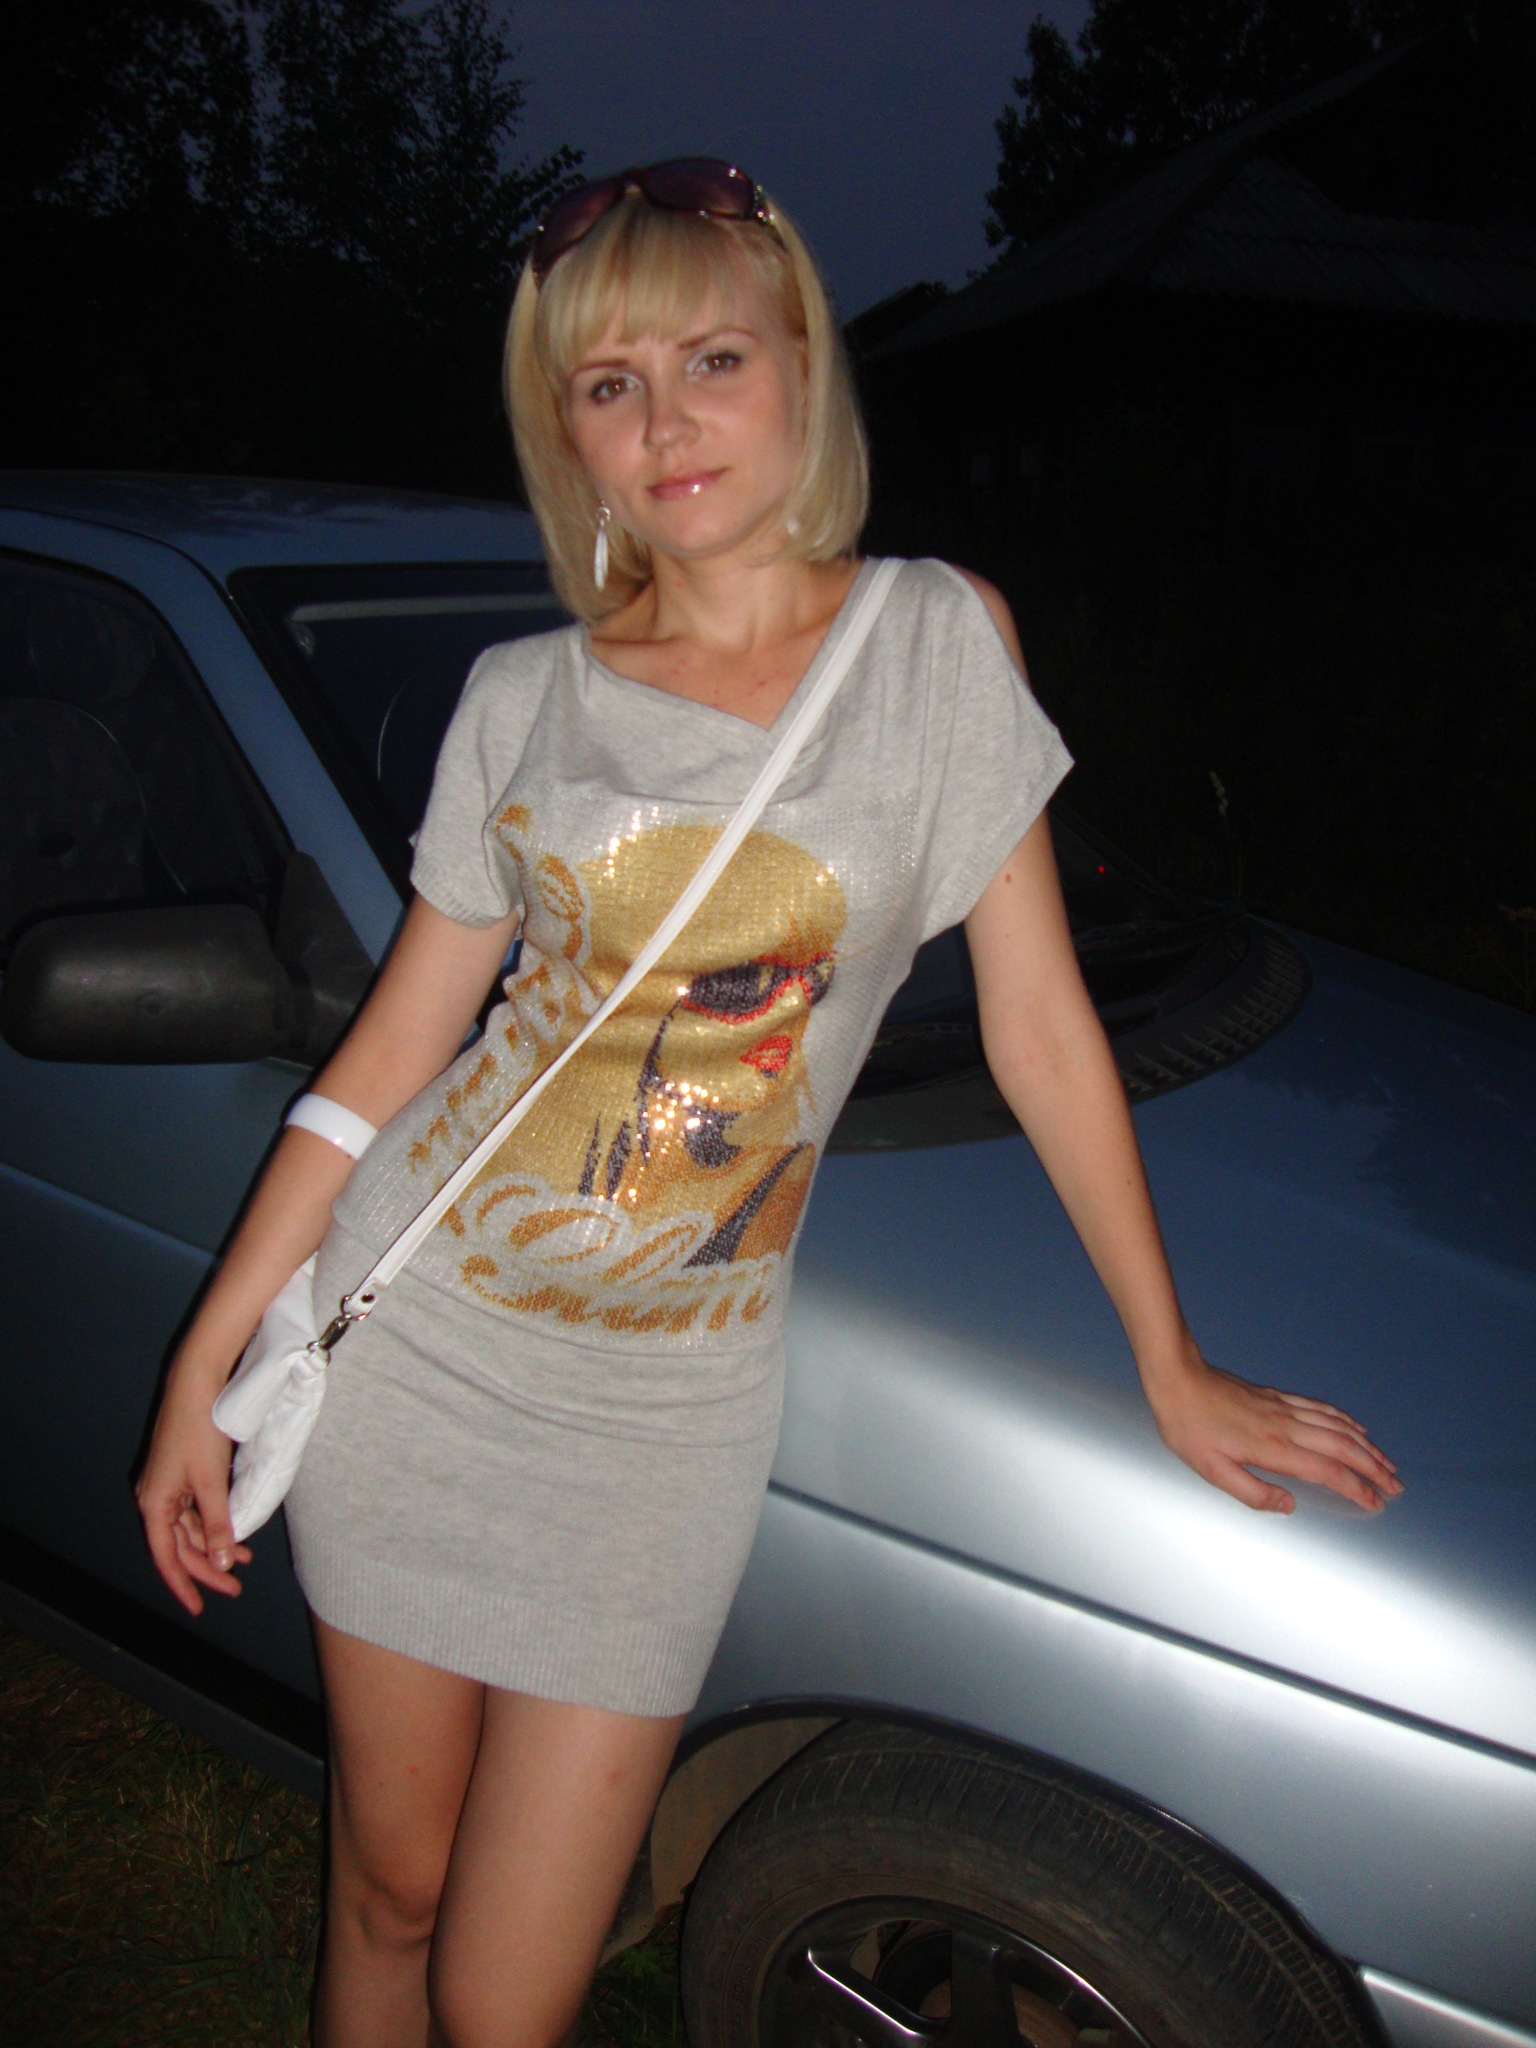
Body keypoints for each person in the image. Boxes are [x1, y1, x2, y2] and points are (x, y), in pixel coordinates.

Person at [135, 159, 1401, 2048]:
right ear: (567, 431)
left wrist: (1171, 1358)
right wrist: (207, 1363)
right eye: (611, 384)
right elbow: (390, 1059)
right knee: (389, 1888)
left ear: (805, 363)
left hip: (666, 1421)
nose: (666, 424)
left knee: (506, 1997)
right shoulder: (520, 694)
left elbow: (1042, 1023)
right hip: (421, 1350)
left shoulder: (937, 641)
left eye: (712, 360)